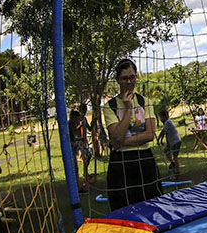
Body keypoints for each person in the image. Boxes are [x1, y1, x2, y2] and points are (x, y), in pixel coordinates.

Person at [104, 59, 162, 211]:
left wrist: (123, 141)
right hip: (121, 162)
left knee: (151, 205)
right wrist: (129, 109)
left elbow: (150, 134)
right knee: (122, 207)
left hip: (144, 159)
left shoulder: (145, 102)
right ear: (117, 79)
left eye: (132, 77)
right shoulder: (110, 106)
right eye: (124, 78)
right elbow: (115, 136)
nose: (129, 82)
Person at [68, 107, 90, 192]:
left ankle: (84, 175)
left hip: (79, 143)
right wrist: (75, 142)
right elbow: (71, 137)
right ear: (73, 117)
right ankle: (77, 187)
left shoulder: (82, 120)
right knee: (74, 168)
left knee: (88, 155)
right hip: (72, 146)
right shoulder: (69, 124)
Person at [156, 108, 182, 175]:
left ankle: (177, 171)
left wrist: (158, 139)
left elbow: (162, 132)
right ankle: (172, 163)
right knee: (166, 150)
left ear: (164, 117)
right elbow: (164, 133)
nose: (160, 119)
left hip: (175, 142)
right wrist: (161, 140)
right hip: (171, 142)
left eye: (161, 117)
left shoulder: (168, 122)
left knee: (175, 157)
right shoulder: (166, 123)